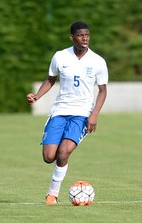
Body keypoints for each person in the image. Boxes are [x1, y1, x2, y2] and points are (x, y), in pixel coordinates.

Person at [27, 21, 108, 205]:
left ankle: (52, 195)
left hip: (82, 114)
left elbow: (103, 91)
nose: (85, 38)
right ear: (72, 37)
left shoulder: (98, 61)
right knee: (49, 157)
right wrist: (37, 96)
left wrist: (94, 114)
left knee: (63, 153)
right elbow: (50, 80)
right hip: (60, 111)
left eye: (87, 35)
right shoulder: (60, 57)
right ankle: (56, 177)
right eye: (80, 35)